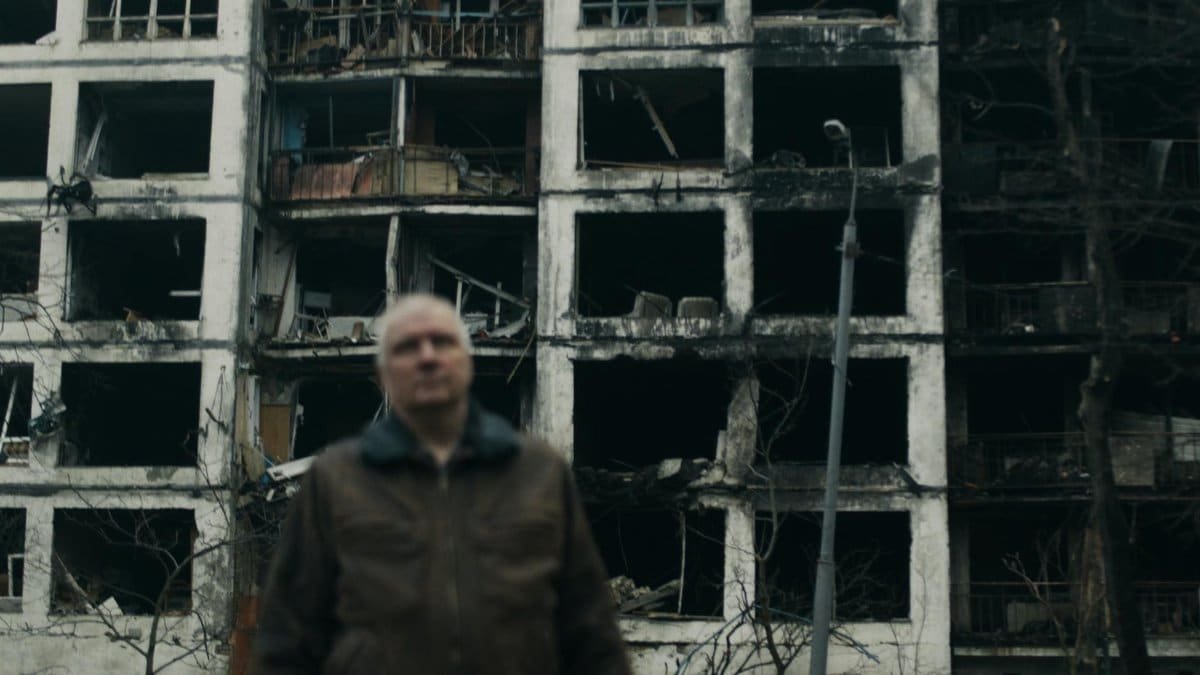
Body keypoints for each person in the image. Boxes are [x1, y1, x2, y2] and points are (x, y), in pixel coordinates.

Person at [254, 294, 631, 675]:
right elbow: (288, 640)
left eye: (442, 342)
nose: (427, 357)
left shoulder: (538, 472)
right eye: (407, 347)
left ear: (467, 362)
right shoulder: (336, 479)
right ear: (384, 374)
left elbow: (591, 634)